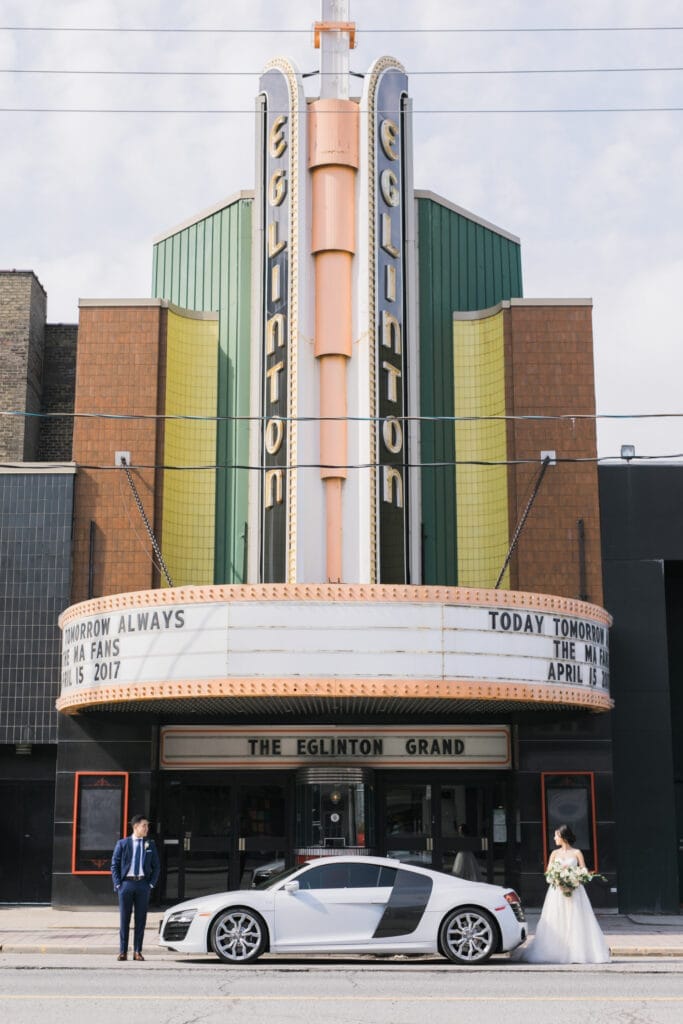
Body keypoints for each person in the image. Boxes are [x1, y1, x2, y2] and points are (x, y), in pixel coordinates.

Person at [519, 823, 609, 963]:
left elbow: (583, 870)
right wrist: (558, 879)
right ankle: (556, 951)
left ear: (562, 837)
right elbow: (548, 872)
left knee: (577, 920)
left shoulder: (577, 852)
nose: (554, 838)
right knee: (557, 918)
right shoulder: (554, 853)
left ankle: (578, 952)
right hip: (557, 892)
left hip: (575, 892)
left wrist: (576, 880)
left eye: (556, 836)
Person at [111, 814, 160, 961]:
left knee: (141, 919)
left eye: (147, 826)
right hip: (126, 884)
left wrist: (150, 884)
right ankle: (123, 951)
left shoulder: (150, 844)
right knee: (124, 919)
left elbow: (156, 866)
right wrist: (118, 884)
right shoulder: (122, 844)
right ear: (136, 827)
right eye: (144, 825)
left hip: (142, 885)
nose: (147, 828)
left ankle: (137, 951)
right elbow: (114, 865)